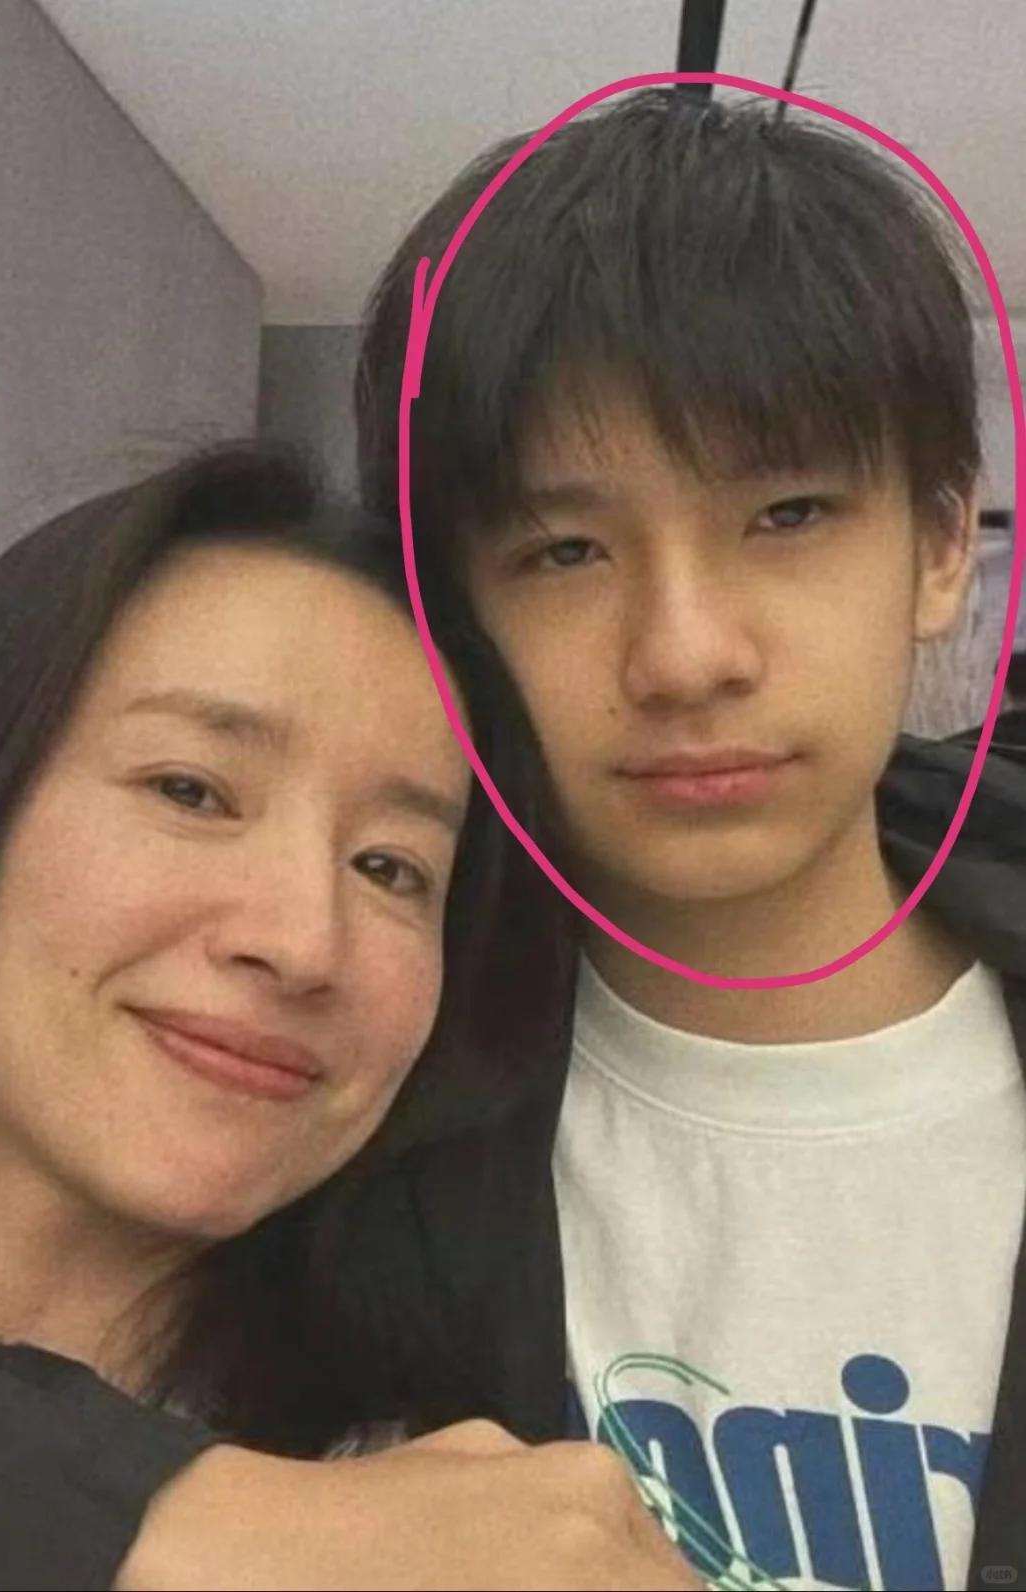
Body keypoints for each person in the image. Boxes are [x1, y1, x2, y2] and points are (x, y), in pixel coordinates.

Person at [355, 90, 1026, 1590]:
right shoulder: (349, 1103)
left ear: (938, 543)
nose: (684, 653)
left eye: (787, 514)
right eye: (566, 550)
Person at [0, 444, 701, 1591]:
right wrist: (170, 1518)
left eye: (392, 867)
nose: (304, 940)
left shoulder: (439, 1524)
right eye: (191, 789)